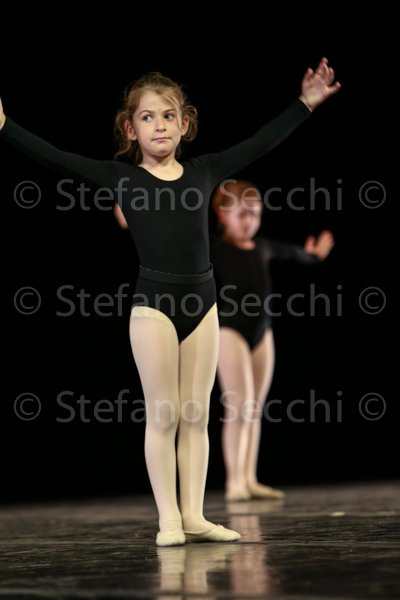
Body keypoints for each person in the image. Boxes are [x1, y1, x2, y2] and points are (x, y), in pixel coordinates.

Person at [0, 58, 340, 545]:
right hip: (153, 308)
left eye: (168, 116)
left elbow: (260, 142)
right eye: (147, 117)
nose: (158, 125)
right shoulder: (121, 178)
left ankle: (195, 515)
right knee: (164, 414)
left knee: (196, 415)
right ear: (130, 129)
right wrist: (4, 125)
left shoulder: (205, 170)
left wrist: (305, 103)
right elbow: (55, 157)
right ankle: (169, 520)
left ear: (184, 125)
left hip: (203, 305)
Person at [210, 180, 335, 501]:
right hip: (231, 331)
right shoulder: (216, 248)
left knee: (255, 408)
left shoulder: (263, 247)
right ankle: (234, 481)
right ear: (222, 215)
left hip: (262, 332)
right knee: (239, 405)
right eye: (242, 214)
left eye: (255, 214)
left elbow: (294, 253)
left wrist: (314, 256)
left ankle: (249, 478)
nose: (249, 221)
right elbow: (181, 241)